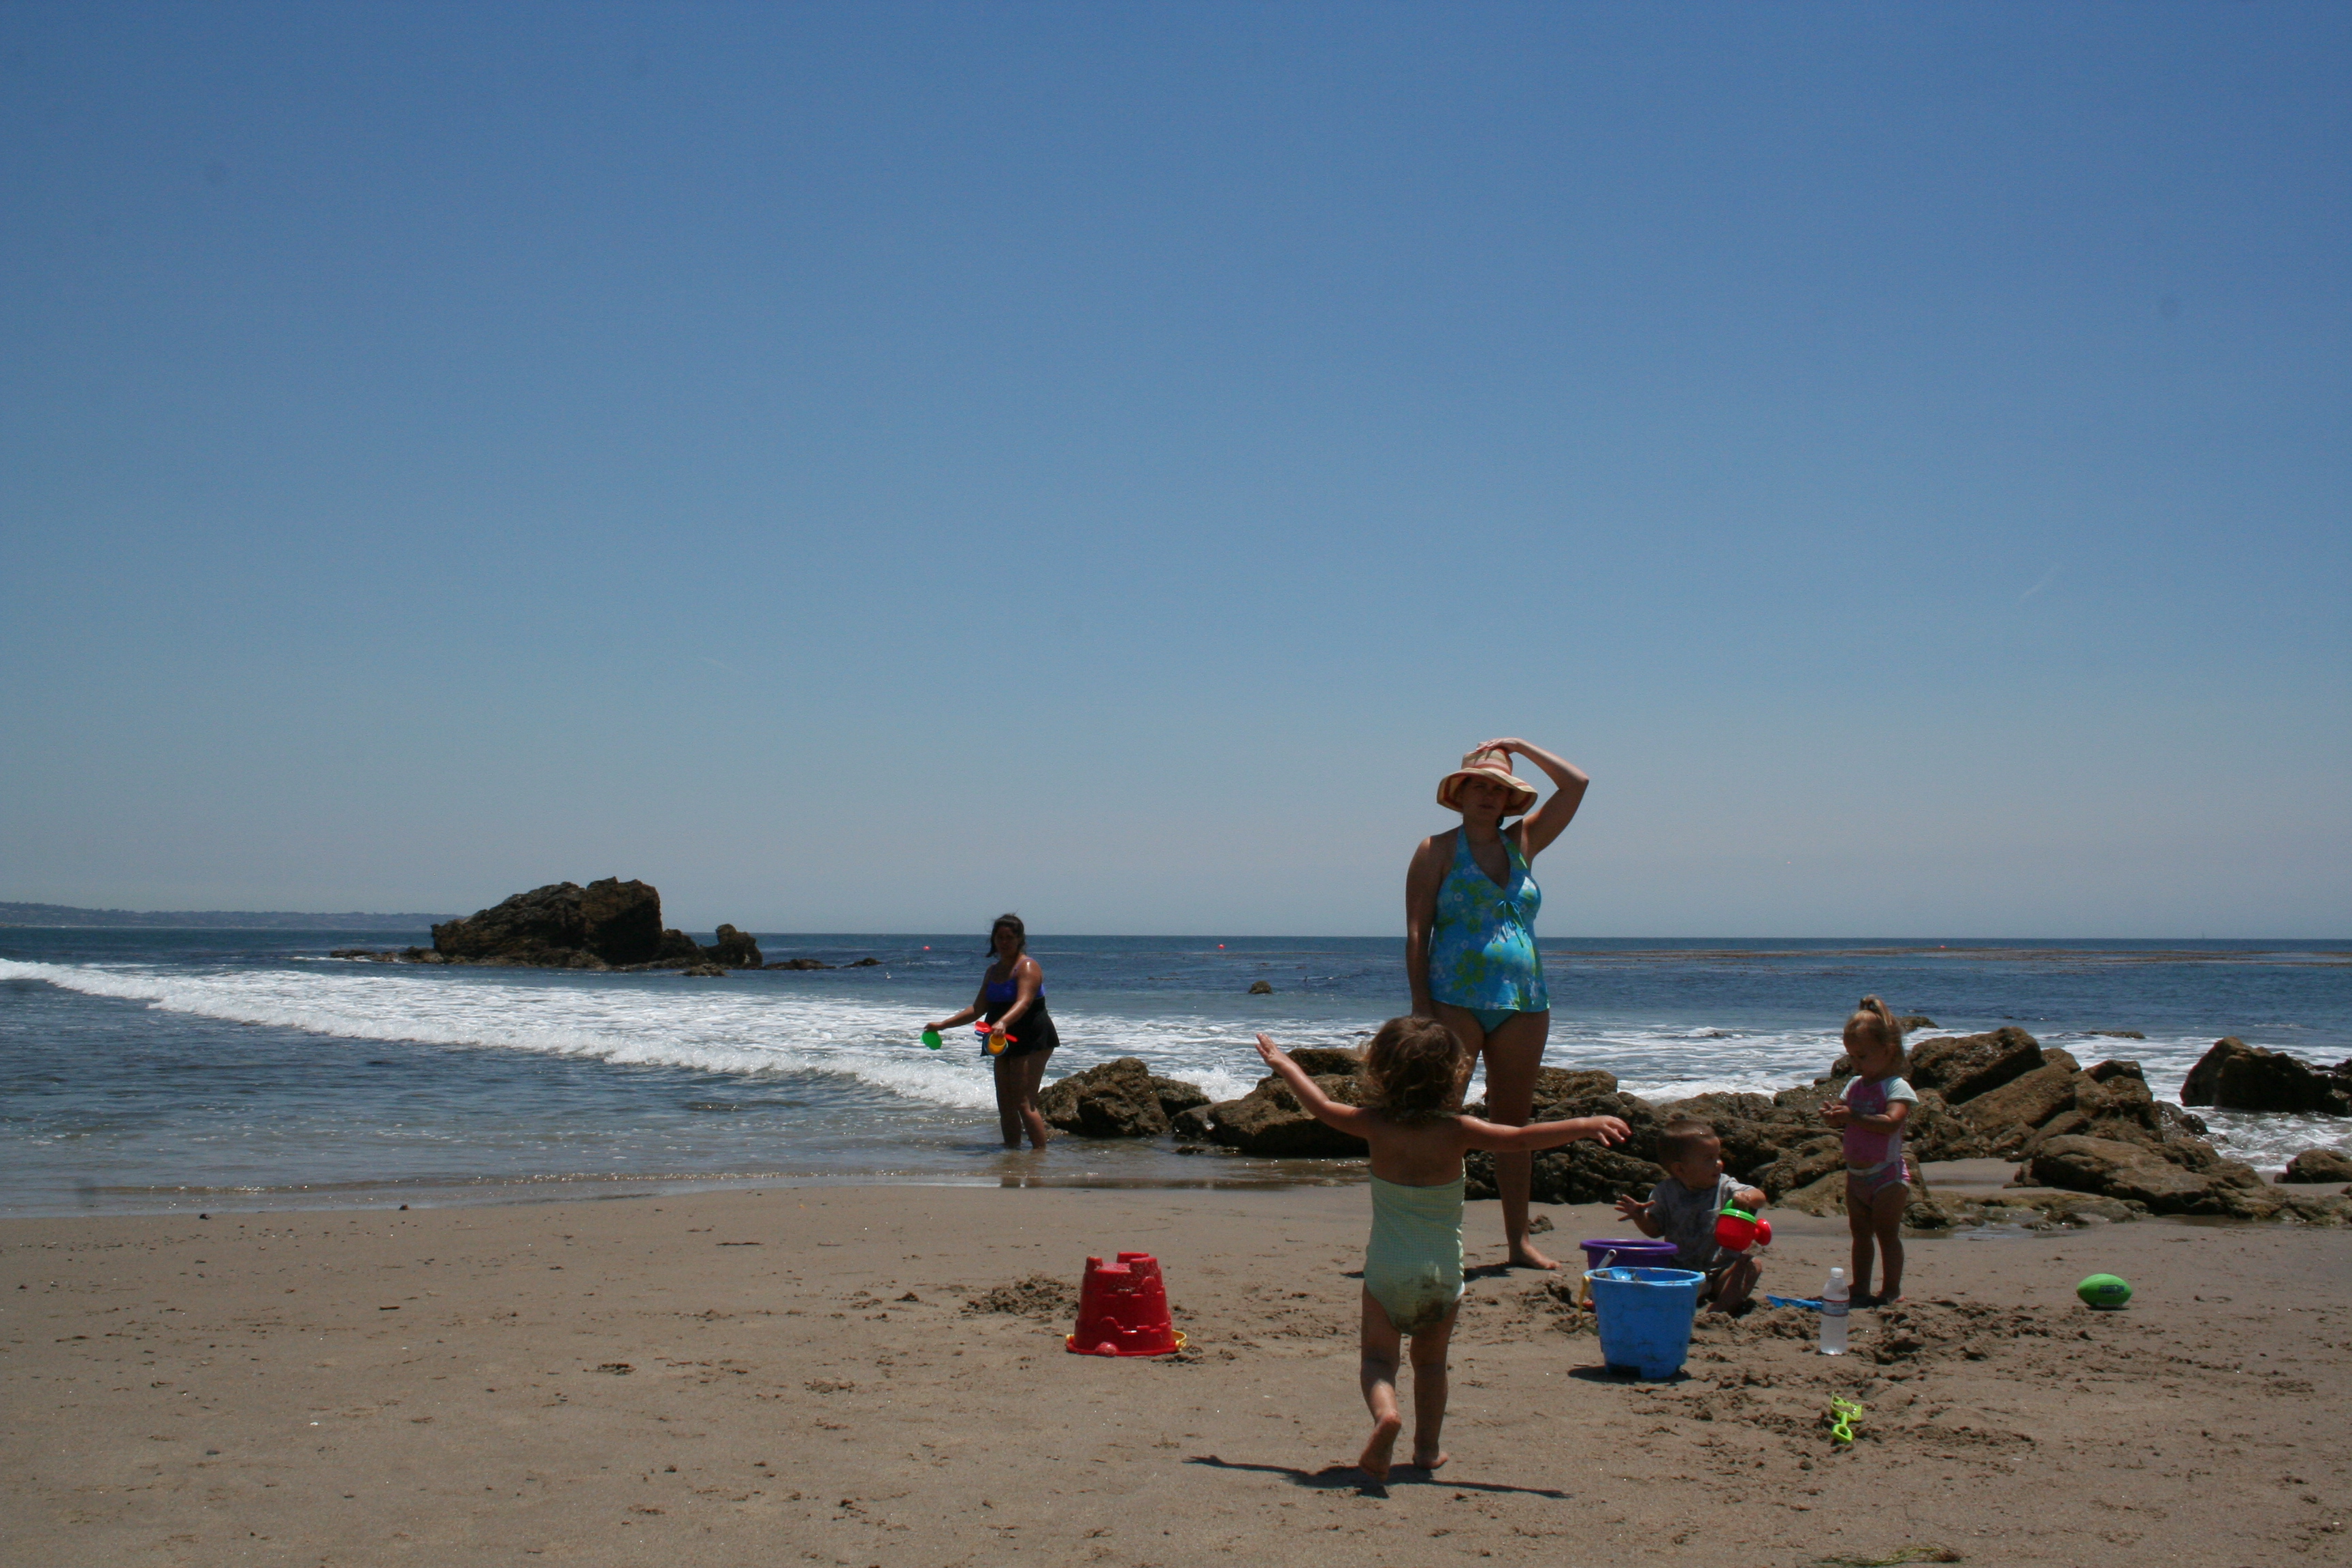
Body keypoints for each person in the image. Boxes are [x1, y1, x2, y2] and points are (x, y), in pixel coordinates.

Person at [1252, 1019, 1629, 1483]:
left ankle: (1387, 1415)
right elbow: (1521, 1139)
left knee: (1378, 1361)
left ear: (1381, 1072)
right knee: (1430, 1364)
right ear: (1453, 1074)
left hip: (1387, 1270)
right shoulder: (1460, 1130)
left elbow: (1322, 1106)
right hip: (1443, 1274)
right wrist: (1585, 1125)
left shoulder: (1373, 1124)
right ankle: (1427, 1450)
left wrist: (1286, 1065)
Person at [1405, 738, 1591, 1270]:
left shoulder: (1523, 842)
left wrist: (1519, 747)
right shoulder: (1436, 850)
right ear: (1460, 794)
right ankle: (1428, 1236)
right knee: (1442, 1123)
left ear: (1510, 799)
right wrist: (1421, 1006)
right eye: (1479, 786)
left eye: (1500, 788)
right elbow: (1418, 932)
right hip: (1453, 1000)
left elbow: (1576, 784)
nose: (1489, 796)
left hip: (1525, 1002)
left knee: (1514, 1127)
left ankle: (1518, 1242)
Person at [922, 914, 1061, 1150]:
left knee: (1023, 1102)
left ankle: (1039, 1157)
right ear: (993, 940)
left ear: (1019, 939)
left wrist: (1003, 1022)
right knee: (1005, 1102)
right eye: (1000, 937)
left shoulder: (1028, 966)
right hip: (1000, 1039)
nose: (1004, 942)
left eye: (1009, 937)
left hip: (1032, 1037)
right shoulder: (993, 971)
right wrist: (943, 1025)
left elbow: (1024, 1002)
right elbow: (978, 1009)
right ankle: (1012, 1153)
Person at [1613, 1118, 1767, 1313]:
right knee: (1648, 1270)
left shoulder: (1725, 1186)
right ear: (1680, 1169)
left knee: (1752, 1265)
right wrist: (1640, 1217)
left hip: (1722, 1270)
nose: (1719, 1164)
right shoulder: (1665, 1192)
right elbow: (1655, 1231)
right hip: (1681, 1272)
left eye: (1718, 1156)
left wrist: (1746, 1198)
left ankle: (1722, 1307)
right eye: (1709, 1159)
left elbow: (1759, 1197)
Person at [1820, 996, 1917, 1306]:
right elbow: (1845, 1113)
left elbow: (1892, 1122)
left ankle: (1891, 1288)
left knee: (1887, 1234)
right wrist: (1834, 1115)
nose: (1856, 1064)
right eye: (1852, 1057)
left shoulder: (1896, 1086)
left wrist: (1853, 1117)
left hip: (1887, 1175)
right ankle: (1861, 1285)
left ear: (1887, 1050)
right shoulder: (1855, 1085)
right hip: (1856, 1174)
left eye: (1862, 1056)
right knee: (1860, 1234)